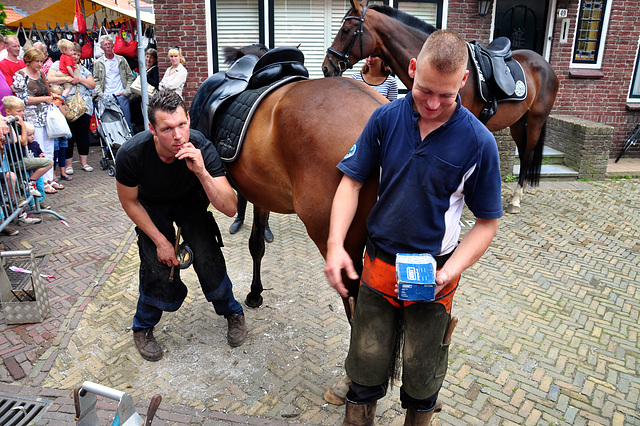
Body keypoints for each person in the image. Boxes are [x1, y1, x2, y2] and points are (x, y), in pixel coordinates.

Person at [324, 30, 503, 425]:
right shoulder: (386, 117)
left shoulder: (479, 143)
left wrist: (451, 270)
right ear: (411, 70)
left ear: (463, 82)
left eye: (446, 95)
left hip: (435, 277)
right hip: (378, 269)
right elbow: (350, 182)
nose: (434, 104)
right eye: (424, 91)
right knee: (365, 371)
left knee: (423, 382)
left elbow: (487, 223)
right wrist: (336, 244)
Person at [115, 90, 247, 361]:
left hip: (190, 202)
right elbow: (130, 202)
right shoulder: (131, 154)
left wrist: (201, 171)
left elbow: (231, 207)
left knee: (208, 254)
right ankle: (142, 326)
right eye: (167, 129)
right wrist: (161, 242)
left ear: (188, 119)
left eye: (182, 125)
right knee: (157, 263)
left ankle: (232, 311)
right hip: (150, 205)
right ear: (152, 128)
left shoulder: (201, 147)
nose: (177, 136)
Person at [12, 48, 60, 195]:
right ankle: (42, 182)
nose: (40, 64)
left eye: (41, 61)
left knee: (49, 149)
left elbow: (47, 92)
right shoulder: (20, 75)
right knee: (39, 150)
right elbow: (22, 99)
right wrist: (44, 99)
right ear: (29, 61)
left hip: (47, 117)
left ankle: (50, 178)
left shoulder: (42, 74)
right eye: (37, 61)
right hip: (32, 117)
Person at [48, 42, 96, 174]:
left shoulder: (83, 69)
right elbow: (49, 79)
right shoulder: (57, 65)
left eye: (78, 54)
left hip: (82, 106)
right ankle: (68, 165)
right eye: (73, 53)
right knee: (69, 135)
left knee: (83, 135)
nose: (75, 56)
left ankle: (84, 162)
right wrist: (67, 78)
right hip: (66, 105)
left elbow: (92, 84)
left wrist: (78, 79)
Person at [93, 35, 135, 132]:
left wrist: (126, 92)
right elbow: (96, 79)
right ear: (101, 48)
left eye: (109, 44)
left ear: (113, 45)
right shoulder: (99, 62)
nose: (108, 46)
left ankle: (129, 144)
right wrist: (101, 94)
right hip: (107, 97)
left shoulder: (121, 60)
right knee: (110, 125)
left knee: (126, 123)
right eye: (105, 45)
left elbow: (130, 76)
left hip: (121, 95)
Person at [130, 48, 159, 134]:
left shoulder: (154, 69)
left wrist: (146, 77)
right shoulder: (144, 68)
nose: (148, 59)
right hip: (142, 96)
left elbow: (155, 83)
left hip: (150, 97)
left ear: (155, 59)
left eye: (151, 58)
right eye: (147, 56)